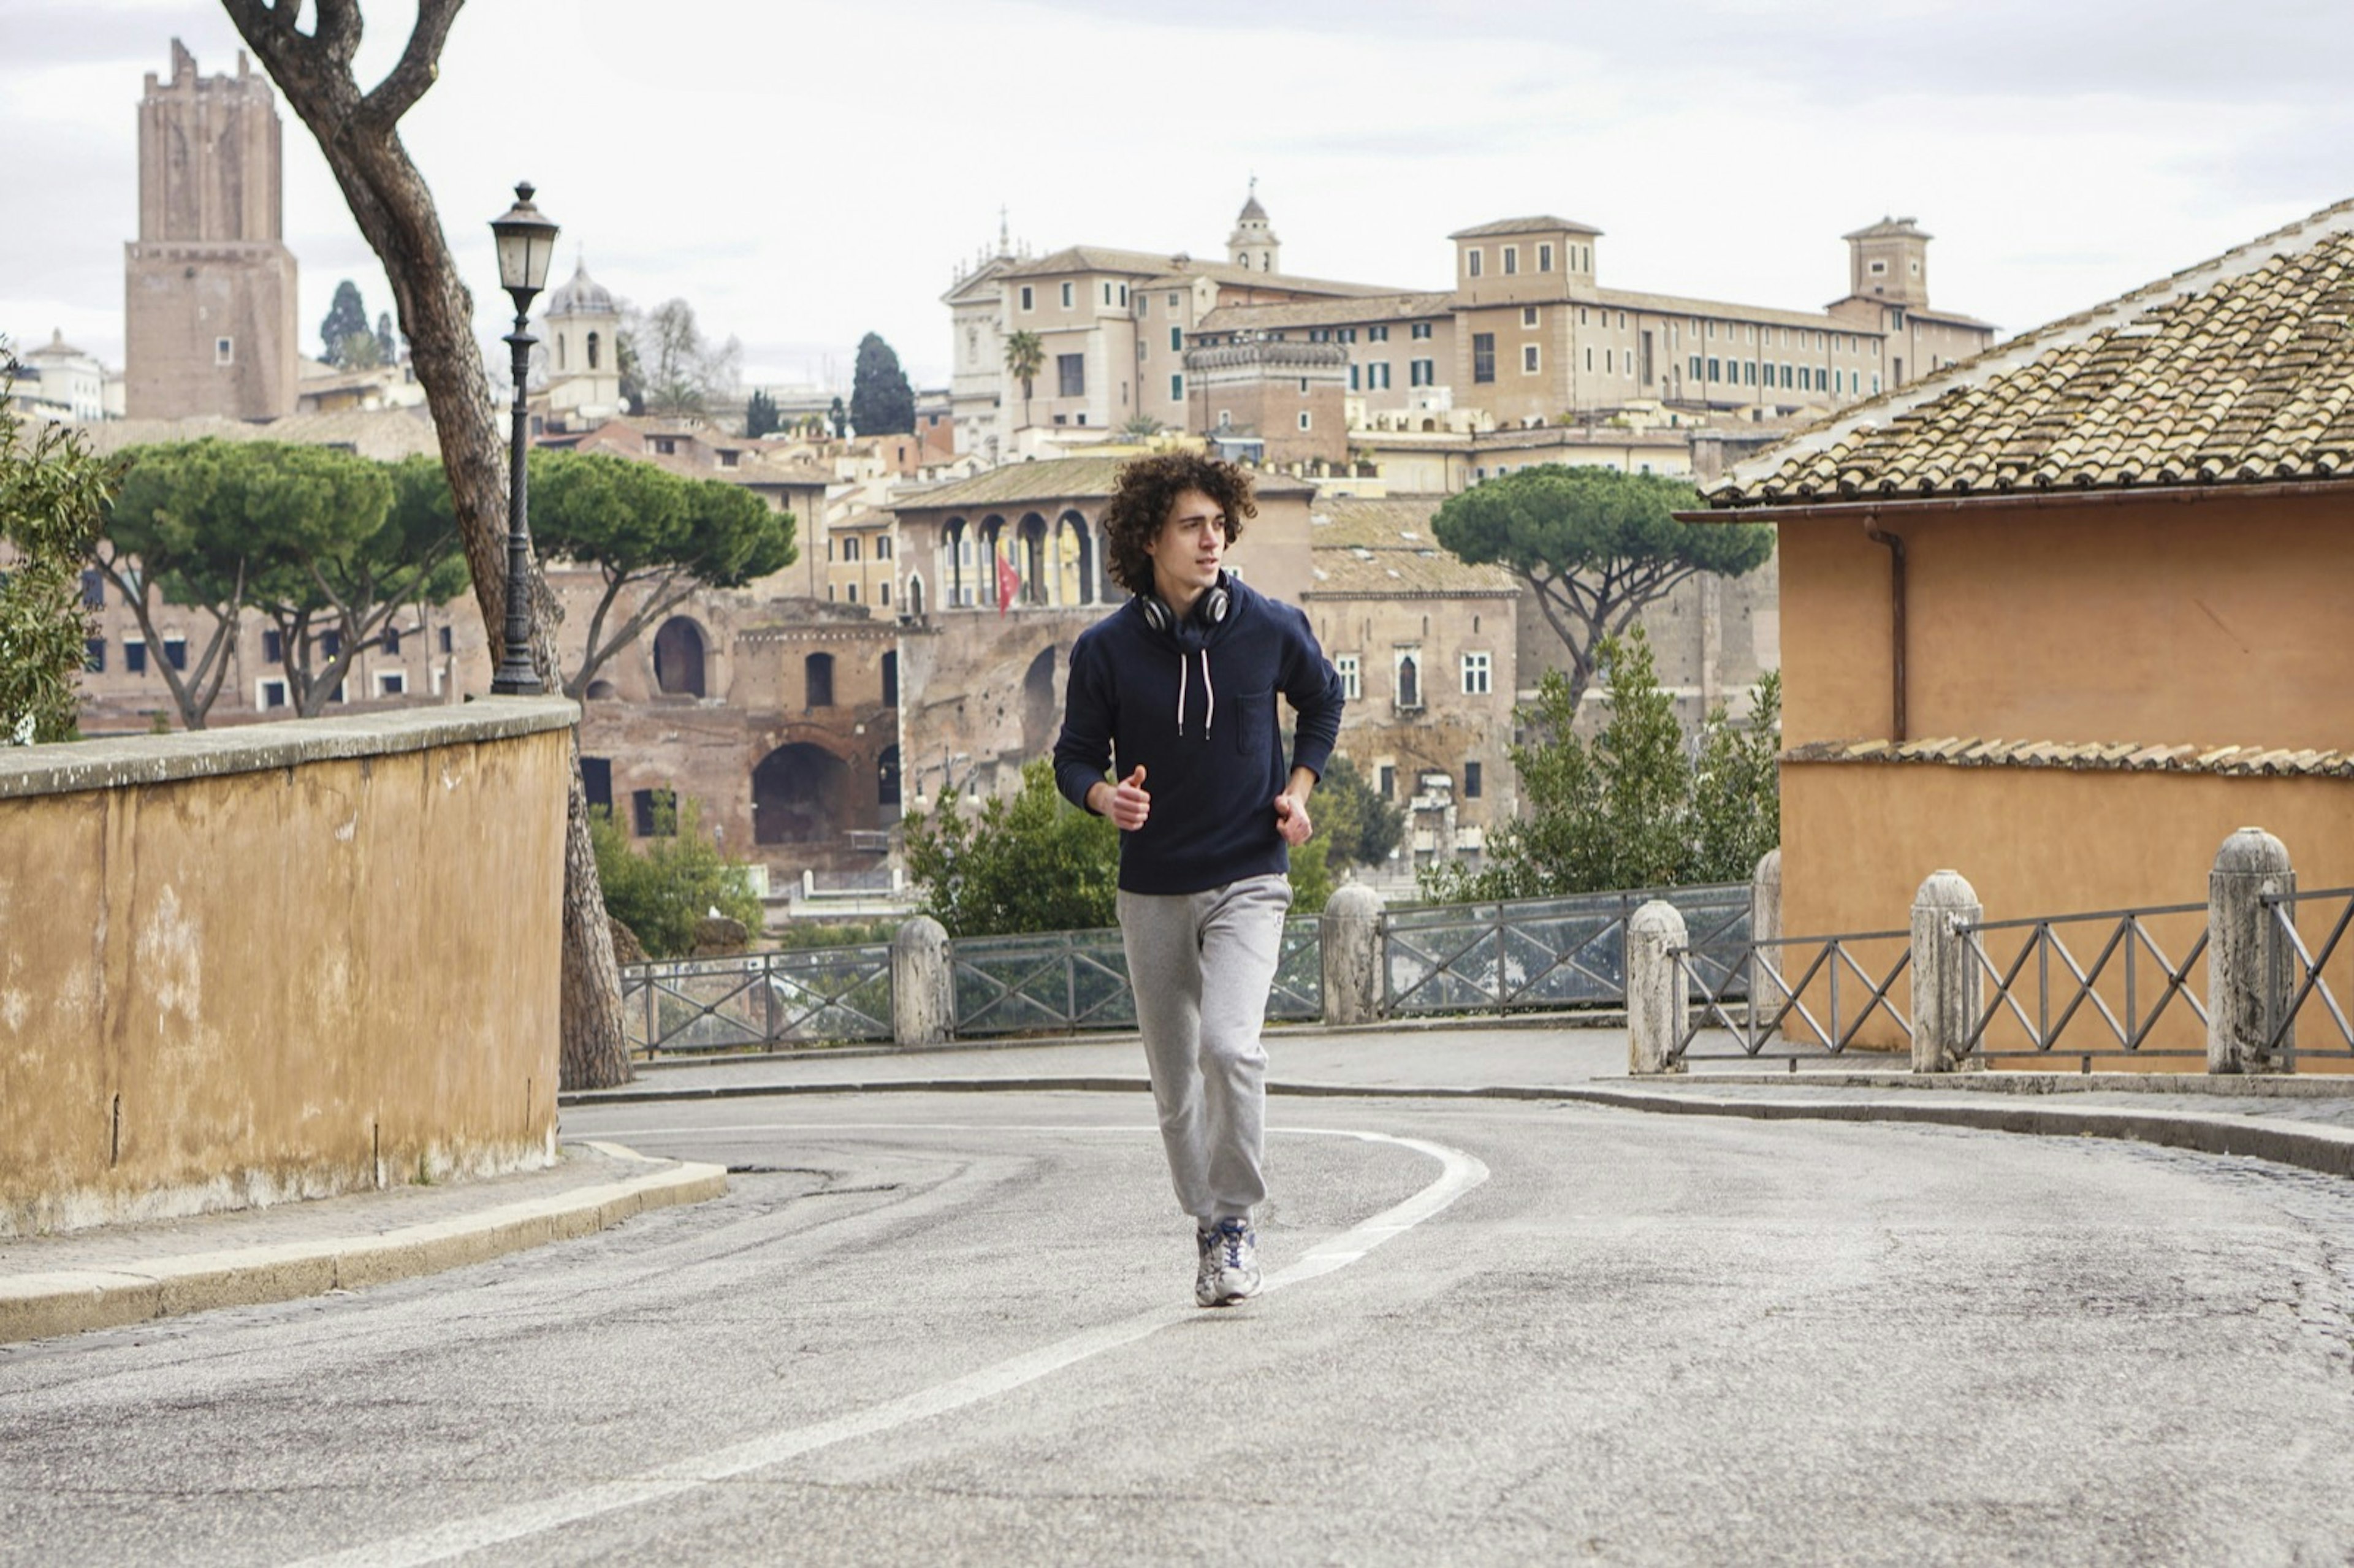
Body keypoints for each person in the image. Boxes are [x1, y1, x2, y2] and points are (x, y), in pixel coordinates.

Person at [1053, 452, 1344, 1307]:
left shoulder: (1269, 625)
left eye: (1220, 522)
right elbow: (1072, 758)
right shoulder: (1104, 651)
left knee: (1231, 1046)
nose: (1212, 537)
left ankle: (1236, 1222)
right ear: (1150, 539)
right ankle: (1206, 1219)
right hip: (1152, 887)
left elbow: (1322, 702)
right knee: (1177, 1083)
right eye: (1192, 524)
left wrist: (1297, 791)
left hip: (1252, 873)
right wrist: (1106, 797)